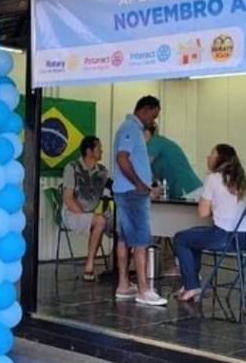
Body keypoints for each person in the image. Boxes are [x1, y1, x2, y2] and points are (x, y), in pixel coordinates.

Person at [172, 144, 246, 302]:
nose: (208, 157)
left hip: (224, 237)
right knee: (193, 235)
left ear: (219, 159)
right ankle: (191, 282)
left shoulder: (213, 178)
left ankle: (191, 285)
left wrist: (212, 202)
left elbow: (203, 213)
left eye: (211, 154)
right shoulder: (241, 180)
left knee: (181, 238)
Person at [112, 95, 167, 307]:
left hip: (127, 192)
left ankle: (124, 285)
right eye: (153, 116)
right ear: (144, 110)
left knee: (125, 239)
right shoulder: (131, 128)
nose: (153, 121)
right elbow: (122, 158)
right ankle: (144, 289)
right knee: (142, 240)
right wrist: (140, 185)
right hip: (132, 194)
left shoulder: (130, 129)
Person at [61, 136, 114, 282]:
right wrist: (87, 216)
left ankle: (113, 264)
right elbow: (68, 199)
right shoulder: (72, 168)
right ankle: (89, 267)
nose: (102, 151)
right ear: (89, 151)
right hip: (73, 213)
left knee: (124, 224)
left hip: (94, 214)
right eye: (99, 148)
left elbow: (114, 188)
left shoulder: (102, 171)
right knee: (100, 221)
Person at [144, 123, 203, 201]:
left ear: (146, 134)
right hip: (187, 192)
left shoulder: (154, 141)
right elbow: (153, 181)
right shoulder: (157, 145)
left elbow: (142, 168)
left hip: (189, 191)